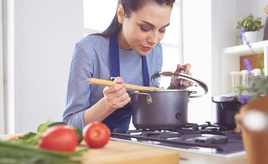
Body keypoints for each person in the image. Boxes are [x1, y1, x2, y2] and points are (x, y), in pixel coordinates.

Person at [63, 0, 191, 132]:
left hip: (127, 145)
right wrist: (107, 104)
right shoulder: (88, 50)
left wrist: (174, 89)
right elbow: (71, 125)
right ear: (121, 13)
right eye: (145, 28)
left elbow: (151, 110)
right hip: (91, 147)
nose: (154, 39)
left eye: (162, 30)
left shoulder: (155, 52)